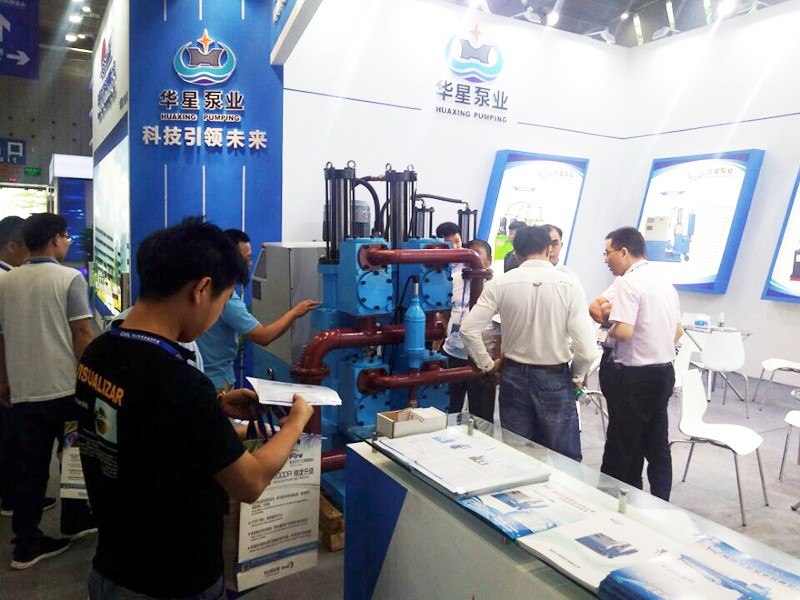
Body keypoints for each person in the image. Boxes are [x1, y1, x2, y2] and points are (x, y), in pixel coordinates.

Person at [76, 217, 314, 599]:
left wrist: (216, 406)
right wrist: (296, 423)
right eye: (223, 301)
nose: (218, 314)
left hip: (109, 568)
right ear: (202, 289)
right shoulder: (179, 381)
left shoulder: (99, 352)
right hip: (175, 580)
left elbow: (142, 426)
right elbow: (250, 482)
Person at [0, 213, 96, 569]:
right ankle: (75, 519)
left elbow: (1, 338)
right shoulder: (69, 278)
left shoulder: (6, 281)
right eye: (66, 237)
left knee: (30, 469)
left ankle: (25, 545)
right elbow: (82, 334)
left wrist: (4, 380)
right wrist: (91, 378)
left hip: (25, 391)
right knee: (73, 458)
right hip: (66, 389)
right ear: (55, 239)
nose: (67, 243)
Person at [460, 226, 599, 461]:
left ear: (515, 253)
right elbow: (587, 350)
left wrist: (488, 365)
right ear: (548, 249)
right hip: (554, 376)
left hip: (512, 376)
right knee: (565, 460)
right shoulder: (570, 285)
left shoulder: (500, 283)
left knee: (519, 456)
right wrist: (575, 376)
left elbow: (468, 330)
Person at [599, 226, 682, 501]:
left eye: (608, 253)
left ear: (624, 252)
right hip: (663, 373)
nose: (606, 260)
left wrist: (605, 328)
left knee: (622, 447)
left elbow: (624, 332)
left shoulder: (627, 282)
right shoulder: (664, 282)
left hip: (634, 378)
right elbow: (678, 331)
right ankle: (661, 503)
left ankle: (615, 505)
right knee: (657, 445)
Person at [197, 229, 319, 390]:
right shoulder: (228, 300)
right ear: (230, 259)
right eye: (246, 259)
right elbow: (263, 337)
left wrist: (272, 256)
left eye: (251, 258)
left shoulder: (206, 288)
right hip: (217, 381)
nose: (250, 264)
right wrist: (295, 312)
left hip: (207, 375)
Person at [442, 239, 497, 422]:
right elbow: (444, 311)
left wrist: (496, 362)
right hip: (453, 354)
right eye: (468, 257)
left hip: (482, 357)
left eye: (477, 257)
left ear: (489, 261)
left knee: (481, 414)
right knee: (450, 408)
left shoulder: (496, 286)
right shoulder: (454, 280)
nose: (471, 263)